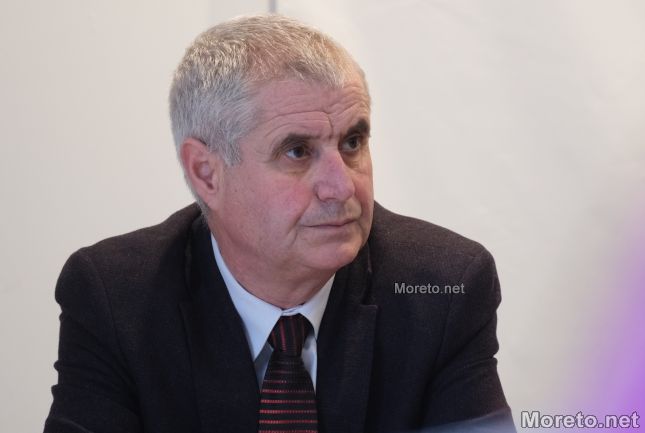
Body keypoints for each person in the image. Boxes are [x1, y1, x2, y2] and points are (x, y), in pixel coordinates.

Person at [45, 14, 514, 433]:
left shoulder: (444, 288)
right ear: (207, 173)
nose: (342, 187)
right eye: (297, 151)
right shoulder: (116, 298)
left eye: (352, 143)